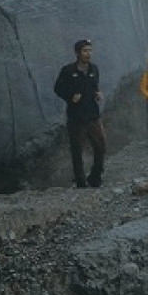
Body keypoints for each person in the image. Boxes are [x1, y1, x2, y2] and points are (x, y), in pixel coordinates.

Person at [54, 39, 106, 187]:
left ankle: (95, 176)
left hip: (93, 115)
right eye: (85, 51)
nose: (88, 54)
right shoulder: (68, 71)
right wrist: (70, 97)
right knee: (77, 150)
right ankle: (81, 182)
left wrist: (97, 93)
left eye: (90, 50)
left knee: (101, 146)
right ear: (77, 53)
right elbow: (57, 88)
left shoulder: (94, 69)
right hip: (76, 117)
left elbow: (95, 86)